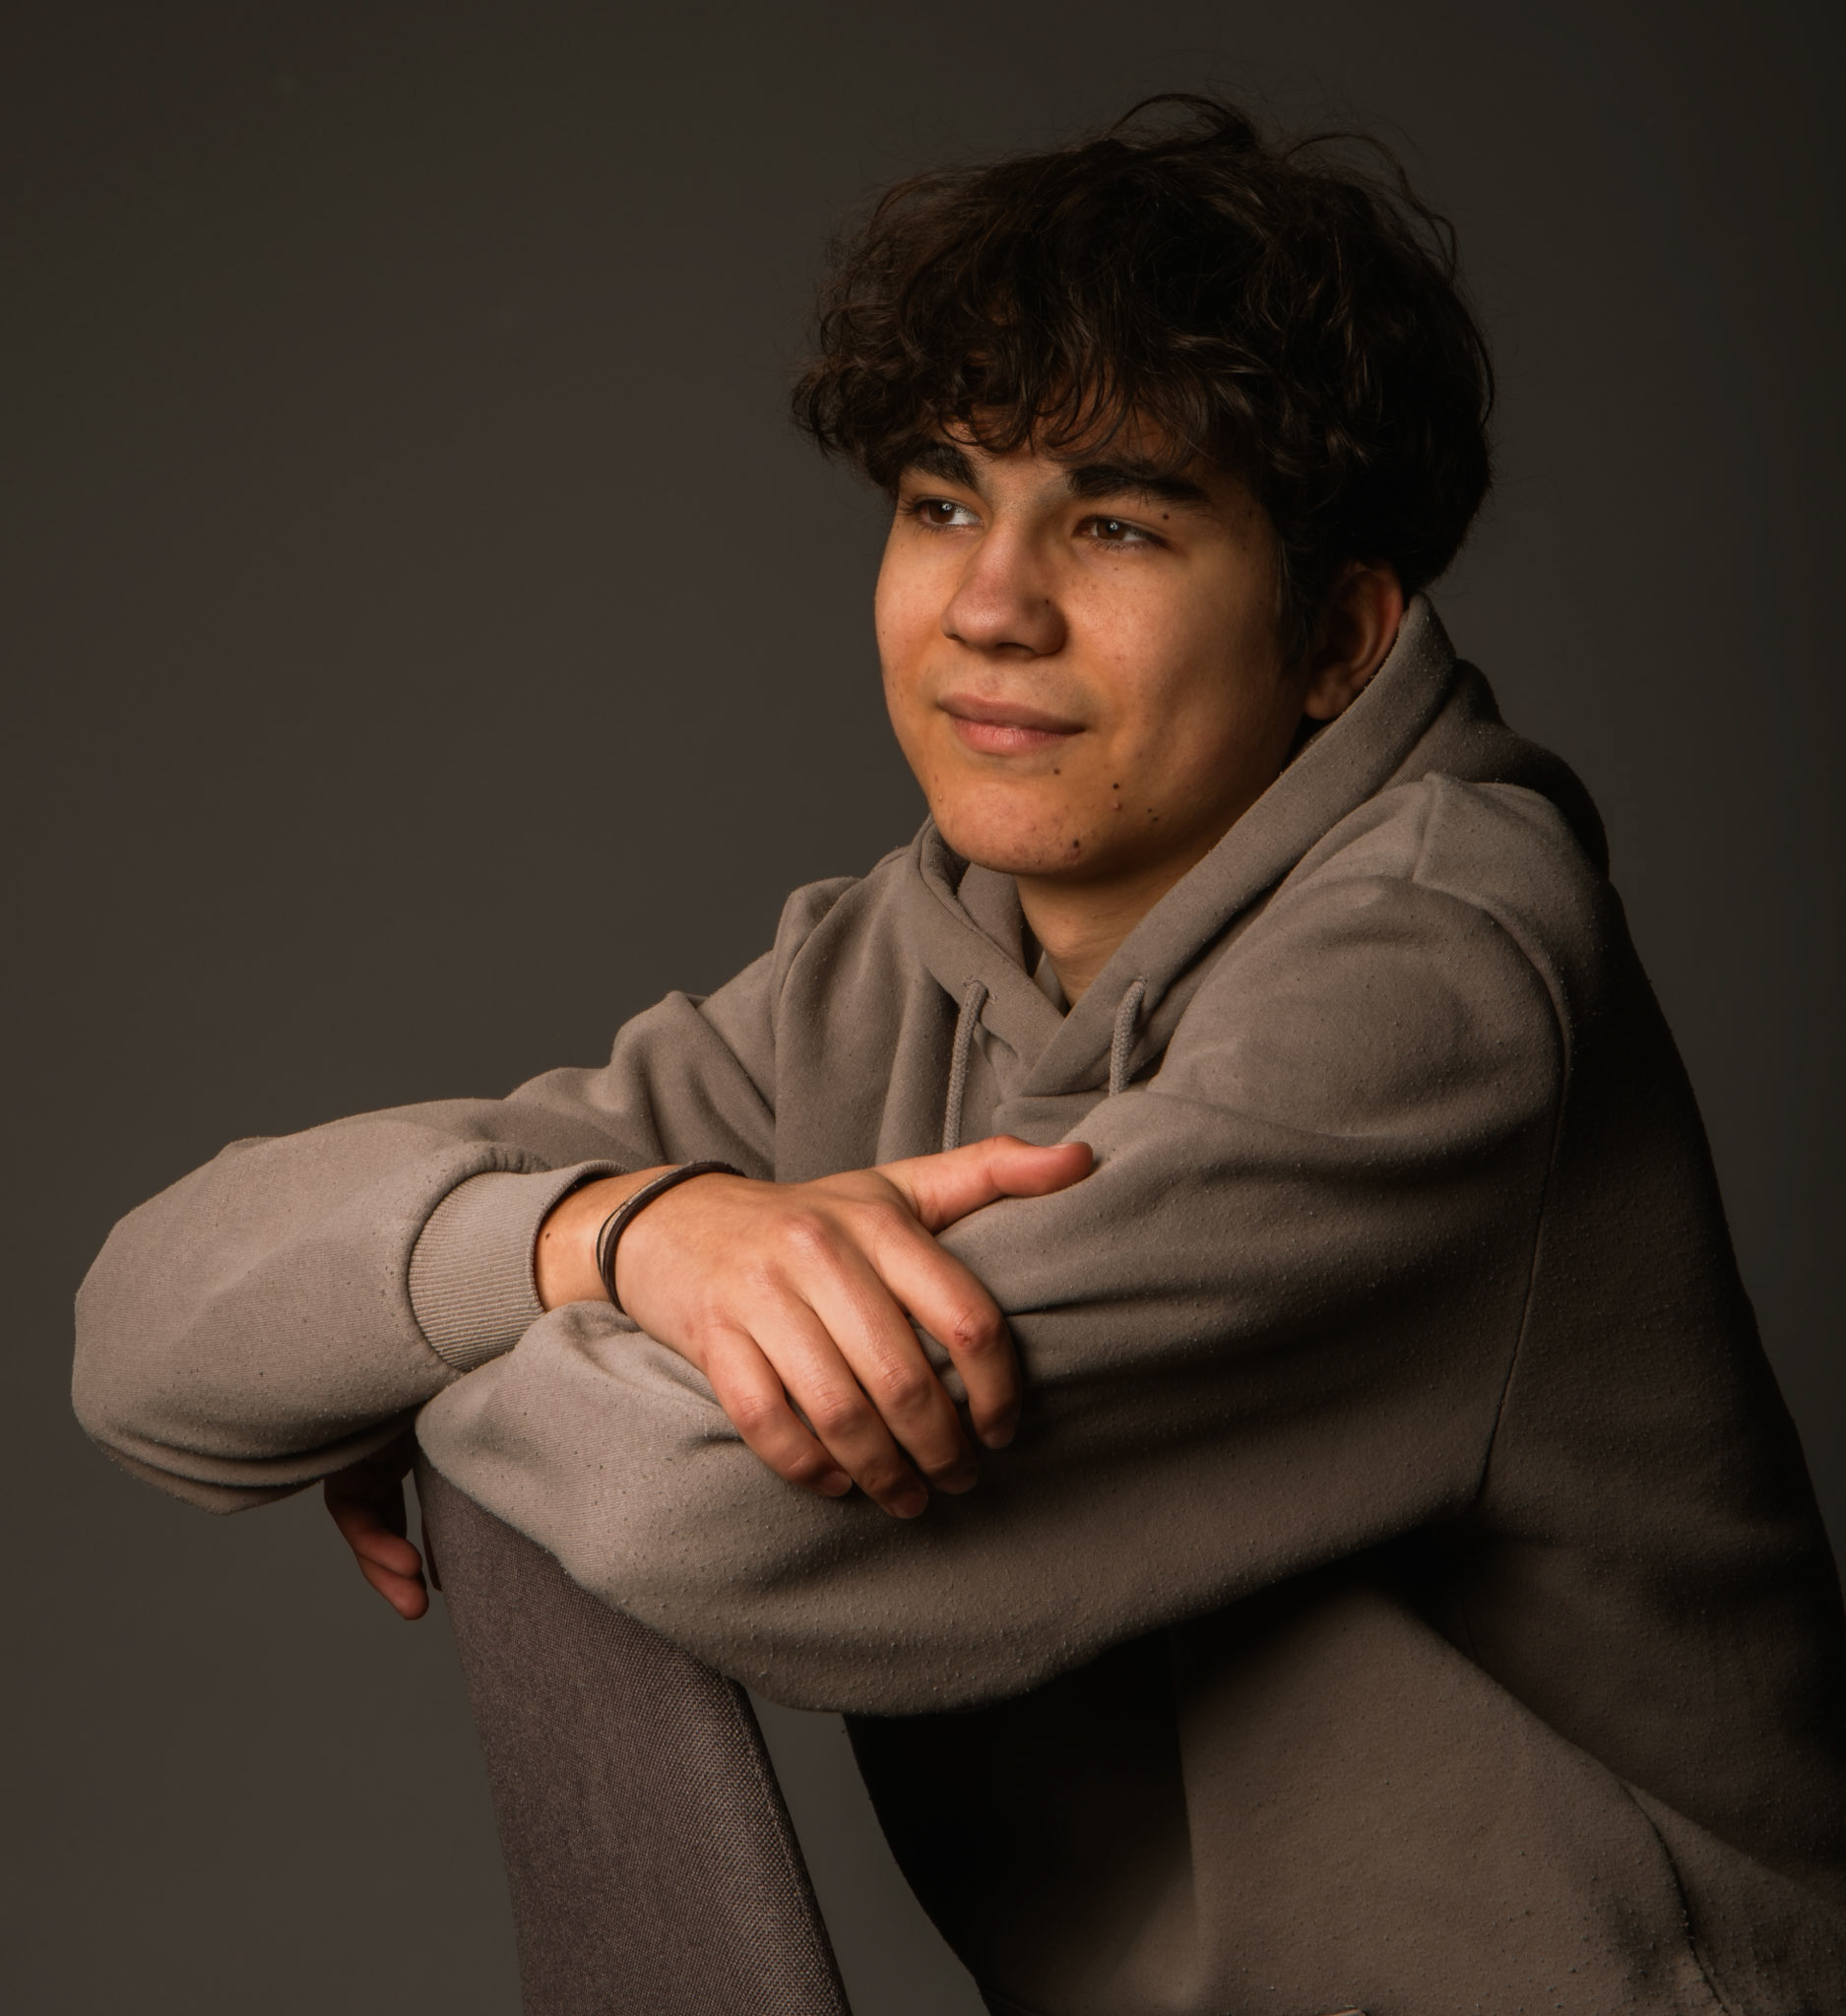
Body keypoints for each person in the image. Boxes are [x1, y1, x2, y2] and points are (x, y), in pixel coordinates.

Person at [72, 95, 1846, 2015]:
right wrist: (618, 1237)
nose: (990, 606)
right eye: (940, 503)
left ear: (1337, 637)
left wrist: (413, 1351)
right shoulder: (886, 966)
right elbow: (145, 1337)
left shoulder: (1442, 979)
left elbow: (698, 1504)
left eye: (1115, 522)